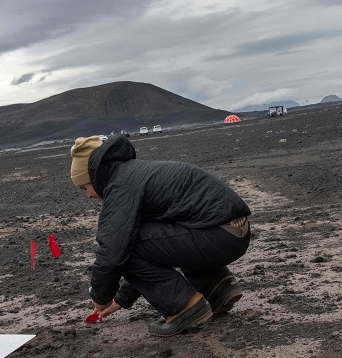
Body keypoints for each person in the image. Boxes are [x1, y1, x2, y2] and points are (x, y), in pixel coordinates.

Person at [70, 135, 251, 337]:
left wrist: (100, 296)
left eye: (84, 187)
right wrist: (120, 300)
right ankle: (219, 289)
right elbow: (156, 247)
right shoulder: (133, 172)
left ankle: (183, 308)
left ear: (94, 176)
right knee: (163, 233)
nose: (88, 196)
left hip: (217, 236)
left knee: (126, 246)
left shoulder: (120, 186)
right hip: (234, 232)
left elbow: (113, 253)